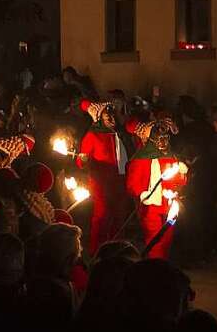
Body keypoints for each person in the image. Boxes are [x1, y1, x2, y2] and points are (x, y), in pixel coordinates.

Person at [124, 116, 187, 259]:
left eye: (166, 137)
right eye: (160, 138)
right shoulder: (140, 160)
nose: (164, 142)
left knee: (167, 238)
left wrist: (182, 175)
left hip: (169, 204)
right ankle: (155, 266)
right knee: (154, 238)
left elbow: (179, 181)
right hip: (150, 206)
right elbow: (132, 185)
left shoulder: (172, 157)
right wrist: (142, 195)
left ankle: (161, 265)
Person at [77, 100, 132, 255]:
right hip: (101, 183)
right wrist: (84, 159)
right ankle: (97, 251)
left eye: (113, 115)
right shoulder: (93, 135)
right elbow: (81, 161)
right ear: (100, 117)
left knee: (119, 216)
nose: (112, 119)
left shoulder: (120, 134)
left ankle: (117, 250)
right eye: (108, 116)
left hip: (120, 181)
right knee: (102, 216)